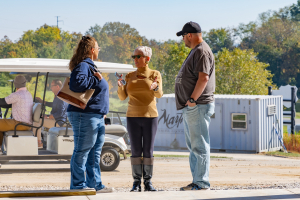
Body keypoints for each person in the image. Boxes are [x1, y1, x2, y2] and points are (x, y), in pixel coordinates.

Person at [67, 36, 112, 193]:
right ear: (92, 50)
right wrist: (95, 80)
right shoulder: (84, 65)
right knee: (82, 150)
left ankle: (95, 184)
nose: (99, 50)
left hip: (95, 116)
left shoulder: (89, 66)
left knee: (94, 152)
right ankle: (78, 185)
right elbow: (76, 84)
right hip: (84, 116)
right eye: (98, 48)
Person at [175, 22, 215, 191]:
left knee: (199, 146)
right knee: (194, 146)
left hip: (197, 106)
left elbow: (203, 78)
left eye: (183, 36)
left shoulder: (201, 51)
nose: (183, 39)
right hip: (193, 107)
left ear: (189, 35)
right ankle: (196, 181)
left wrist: (192, 99)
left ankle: (201, 183)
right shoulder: (196, 51)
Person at [117, 46, 163, 192]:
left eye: (138, 56)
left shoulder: (155, 74)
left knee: (148, 150)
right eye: (134, 57)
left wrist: (155, 87)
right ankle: (136, 182)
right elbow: (122, 97)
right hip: (132, 117)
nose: (135, 59)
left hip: (150, 117)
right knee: (136, 150)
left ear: (147, 59)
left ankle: (148, 182)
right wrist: (120, 86)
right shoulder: (129, 76)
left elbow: (159, 94)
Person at [0, 75, 33, 151]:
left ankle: (1, 147)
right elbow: (7, 104)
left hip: (19, 124)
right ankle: (2, 147)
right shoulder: (28, 94)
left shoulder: (17, 94)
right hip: (27, 124)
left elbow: (2, 102)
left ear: (15, 84)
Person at [33, 79, 68, 148]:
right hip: (57, 120)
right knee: (40, 119)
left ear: (57, 86)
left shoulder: (61, 97)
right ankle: (40, 141)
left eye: (52, 86)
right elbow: (54, 105)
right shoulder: (58, 96)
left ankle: (39, 143)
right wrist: (43, 102)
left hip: (59, 122)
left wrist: (49, 117)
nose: (51, 88)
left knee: (36, 122)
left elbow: (61, 112)